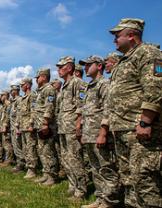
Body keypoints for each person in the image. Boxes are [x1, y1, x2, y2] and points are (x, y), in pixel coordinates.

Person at [97, 18, 162, 207]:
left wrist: (145, 122)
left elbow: (156, 88)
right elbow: (113, 99)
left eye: (118, 36)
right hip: (122, 129)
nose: (114, 40)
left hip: (139, 130)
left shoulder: (149, 53)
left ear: (131, 35)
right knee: (128, 178)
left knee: (145, 180)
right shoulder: (124, 62)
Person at [79, 55, 120, 208]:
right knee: (95, 168)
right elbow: (85, 111)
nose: (85, 68)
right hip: (89, 133)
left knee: (106, 168)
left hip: (99, 133)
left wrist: (103, 133)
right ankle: (100, 197)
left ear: (99, 66)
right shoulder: (90, 86)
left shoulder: (104, 84)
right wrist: (83, 132)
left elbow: (108, 110)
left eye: (89, 65)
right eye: (85, 65)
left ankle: (110, 201)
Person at [56, 56, 88, 199]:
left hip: (72, 127)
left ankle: (81, 189)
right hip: (63, 127)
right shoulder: (64, 86)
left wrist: (78, 125)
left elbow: (82, 106)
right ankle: (72, 184)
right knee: (66, 158)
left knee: (75, 158)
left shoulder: (78, 83)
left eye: (60, 67)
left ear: (69, 68)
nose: (58, 70)